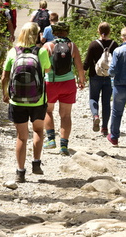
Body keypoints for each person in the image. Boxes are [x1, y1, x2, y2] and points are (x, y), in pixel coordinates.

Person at [0, 22, 52, 183]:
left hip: (17, 101)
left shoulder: (13, 52)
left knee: (21, 137)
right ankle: (36, 163)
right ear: (37, 35)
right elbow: (47, 70)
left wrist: (5, 94)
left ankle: (20, 172)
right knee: (38, 131)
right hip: (37, 100)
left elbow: (4, 77)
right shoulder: (41, 52)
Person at [42, 21, 86, 155]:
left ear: (54, 32)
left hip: (51, 83)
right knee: (66, 115)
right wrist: (82, 81)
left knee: (48, 111)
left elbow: (41, 66)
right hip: (68, 83)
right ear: (67, 32)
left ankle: (50, 140)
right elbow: (79, 67)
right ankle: (64, 146)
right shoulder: (72, 46)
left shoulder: (48, 46)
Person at [82, 22, 118, 136]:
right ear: (109, 31)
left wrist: (82, 76)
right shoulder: (114, 44)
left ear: (98, 30)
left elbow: (87, 62)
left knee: (93, 98)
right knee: (106, 102)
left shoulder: (93, 45)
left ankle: (95, 115)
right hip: (109, 76)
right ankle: (104, 128)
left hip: (95, 75)